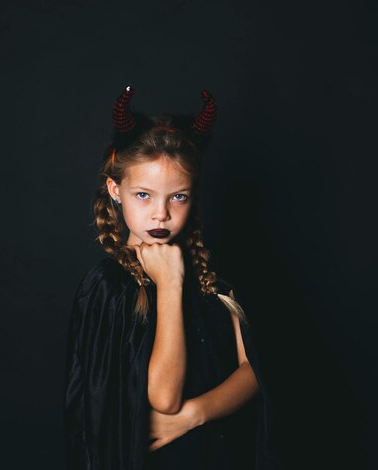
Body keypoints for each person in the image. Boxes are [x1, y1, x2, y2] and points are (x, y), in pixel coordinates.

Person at [63, 86, 283, 469]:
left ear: (193, 196)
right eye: (144, 195)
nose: (160, 214)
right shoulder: (107, 286)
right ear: (116, 190)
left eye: (177, 197)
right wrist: (168, 284)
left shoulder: (209, 279)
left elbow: (254, 372)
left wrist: (193, 414)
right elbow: (163, 398)